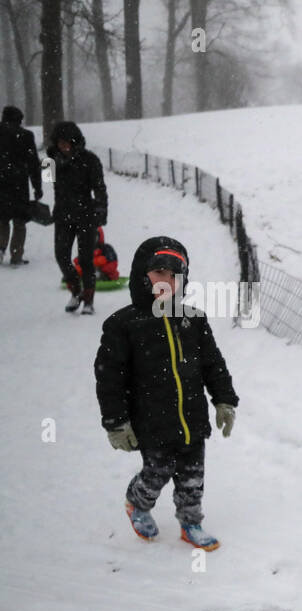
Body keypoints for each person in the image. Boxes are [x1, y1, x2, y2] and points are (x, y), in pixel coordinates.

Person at [94, 236, 239, 552]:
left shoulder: (193, 320)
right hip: (151, 421)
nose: (167, 281)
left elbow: (213, 364)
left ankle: (191, 522)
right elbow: (109, 379)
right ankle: (138, 502)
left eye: (175, 275)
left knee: (192, 475)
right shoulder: (124, 324)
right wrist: (116, 422)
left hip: (191, 418)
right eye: (160, 272)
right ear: (142, 274)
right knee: (157, 471)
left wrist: (224, 399)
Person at [45, 120, 106, 314]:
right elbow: (52, 186)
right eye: (60, 143)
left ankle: (88, 299)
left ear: (75, 141)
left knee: (86, 259)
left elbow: (99, 188)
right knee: (61, 255)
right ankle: (75, 289)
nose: (63, 146)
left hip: (86, 215)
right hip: (63, 215)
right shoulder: (51, 162)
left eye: (67, 142)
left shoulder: (90, 160)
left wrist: (101, 210)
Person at [0, 105, 42, 266]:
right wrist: (37, 187)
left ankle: (0, 248)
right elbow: (33, 164)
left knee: (2, 219)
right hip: (19, 185)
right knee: (19, 221)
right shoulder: (25, 136)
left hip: (1, 184)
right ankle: (16, 254)